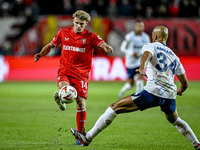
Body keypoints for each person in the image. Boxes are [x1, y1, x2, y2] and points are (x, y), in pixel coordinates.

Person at [71, 26, 200, 149]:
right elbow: (185, 83)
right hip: (169, 95)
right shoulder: (174, 56)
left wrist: (142, 67)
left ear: (154, 36)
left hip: (153, 92)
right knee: (175, 120)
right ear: (166, 38)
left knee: (114, 107)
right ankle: (197, 144)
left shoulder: (151, 46)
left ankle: (87, 137)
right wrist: (179, 91)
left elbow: (146, 55)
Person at [34, 10, 114, 145]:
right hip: (65, 70)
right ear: (73, 21)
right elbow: (50, 45)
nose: (78, 26)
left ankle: (80, 134)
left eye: (81, 24)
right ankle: (62, 95)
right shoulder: (63, 32)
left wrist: (106, 47)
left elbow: (102, 43)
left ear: (86, 24)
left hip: (81, 75)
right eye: (76, 23)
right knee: (66, 89)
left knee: (81, 103)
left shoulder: (91, 36)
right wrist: (41, 54)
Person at [118, 20, 150, 99]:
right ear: (135, 27)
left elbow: (148, 48)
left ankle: (138, 96)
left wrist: (140, 54)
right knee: (130, 84)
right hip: (130, 62)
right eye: (138, 26)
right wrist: (131, 53)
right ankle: (122, 91)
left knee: (140, 76)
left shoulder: (146, 37)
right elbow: (122, 48)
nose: (140, 28)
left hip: (140, 61)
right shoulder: (129, 36)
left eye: (141, 26)